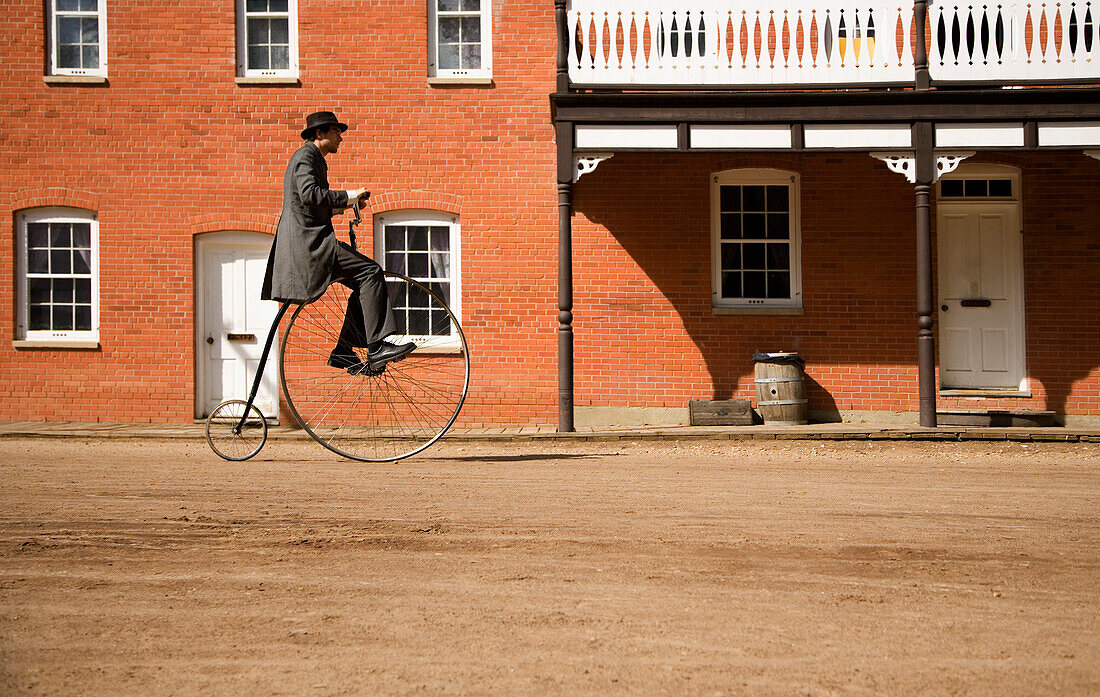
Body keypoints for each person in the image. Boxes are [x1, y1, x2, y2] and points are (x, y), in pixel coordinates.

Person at [261, 111, 415, 374]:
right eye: (335, 132)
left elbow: (308, 204)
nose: (340, 138)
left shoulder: (313, 159)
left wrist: (349, 205)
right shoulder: (306, 157)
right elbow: (309, 195)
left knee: (362, 282)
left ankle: (344, 351)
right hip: (313, 246)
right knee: (370, 272)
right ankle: (377, 346)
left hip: (313, 241)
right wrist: (349, 196)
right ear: (319, 134)